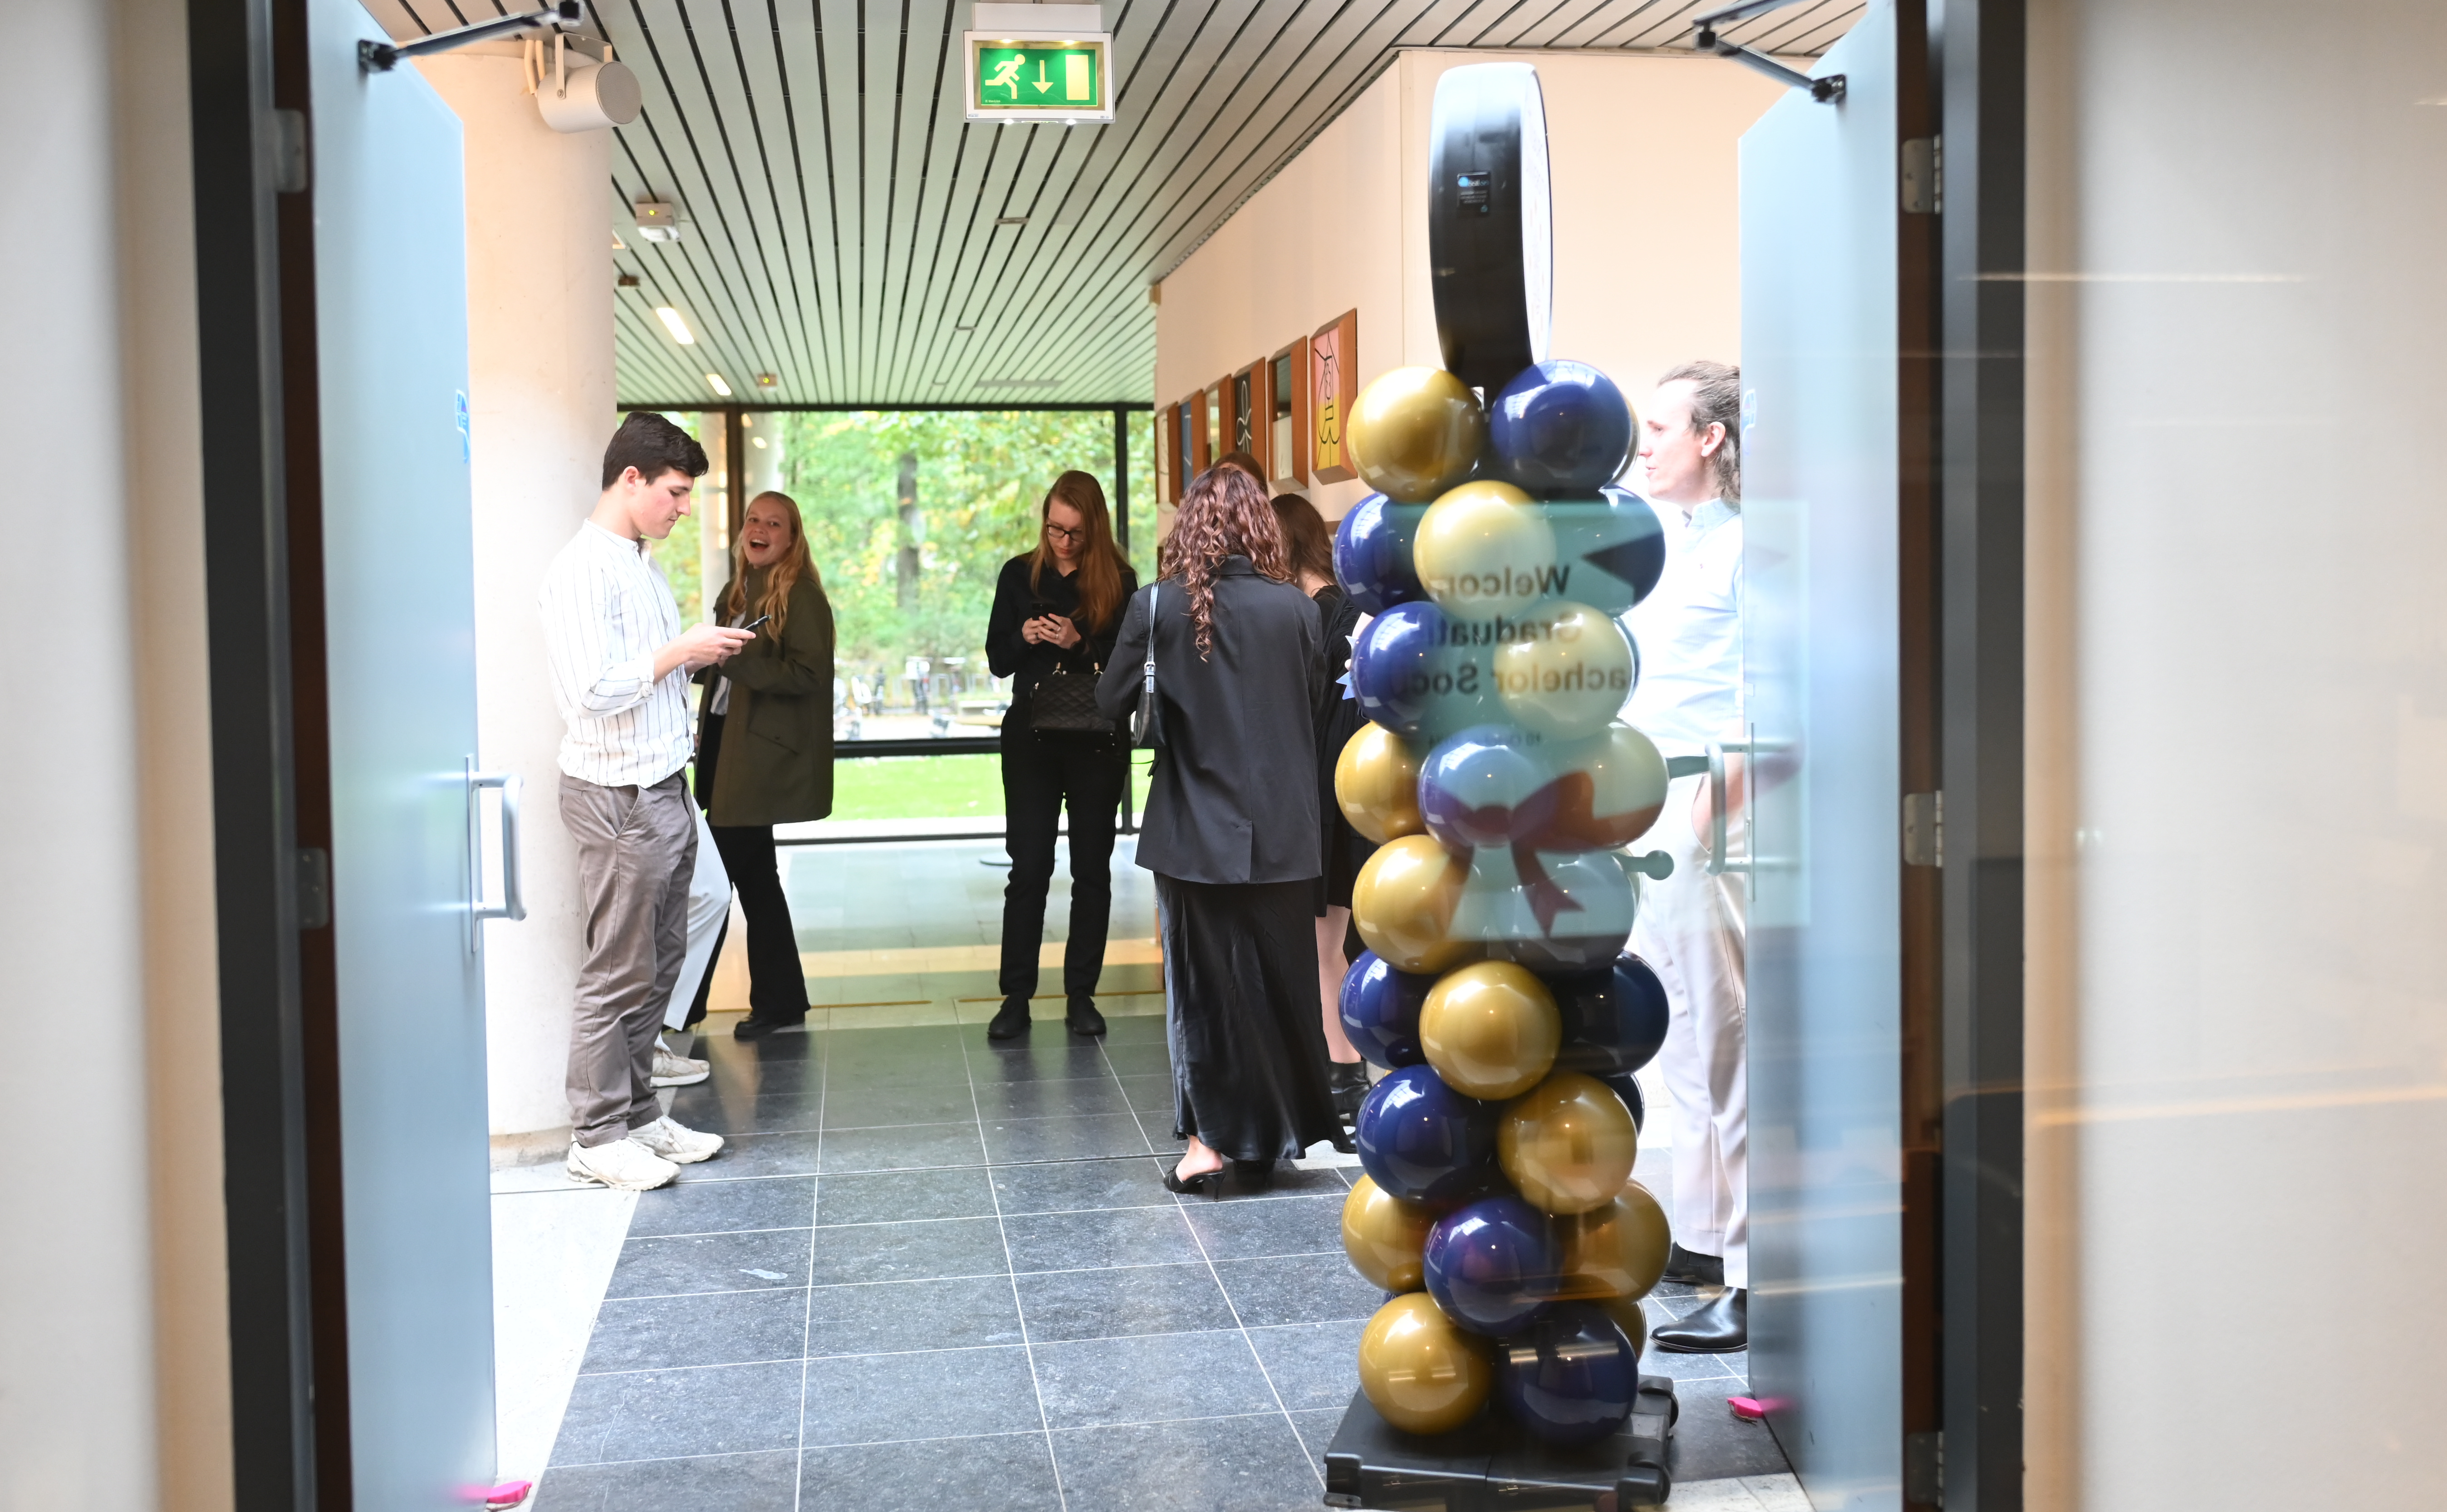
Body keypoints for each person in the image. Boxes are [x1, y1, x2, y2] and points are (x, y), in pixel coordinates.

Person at [1098, 466, 1345, 1194]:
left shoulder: (1157, 606)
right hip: (1284, 829)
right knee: (1278, 985)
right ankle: (1270, 1139)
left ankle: (1206, 1145)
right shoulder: (1296, 610)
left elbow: (1110, 701)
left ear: (1190, 527)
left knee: (1202, 991)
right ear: (1260, 527)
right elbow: (1308, 705)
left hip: (1191, 830)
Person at [538, 412, 754, 1191]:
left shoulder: (640, 563)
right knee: (617, 970)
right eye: (675, 492)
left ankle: (636, 1115)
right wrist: (678, 653)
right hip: (618, 793)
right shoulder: (581, 571)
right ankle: (596, 1135)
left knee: (657, 964)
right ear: (630, 479)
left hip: (662, 784)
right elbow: (589, 693)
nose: (684, 508)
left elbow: (643, 675)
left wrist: (691, 657)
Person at [1621, 361, 1751, 1351]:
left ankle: (1752, 1273)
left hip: (1712, 807)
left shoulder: (1754, 544)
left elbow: (1768, 696)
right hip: (1652, 801)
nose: (1644, 445)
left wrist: (1706, 817)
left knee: (1726, 1036)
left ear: (1711, 438)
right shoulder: (1668, 543)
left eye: (1660, 428)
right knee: (1680, 1029)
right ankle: (1704, 1234)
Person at [984, 471, 1138, 1040]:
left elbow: (1127, 664)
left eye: (1074, 533)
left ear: (1093, 528)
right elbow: (997, 660)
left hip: (1095, 739)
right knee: (1028, 868)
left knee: (1091, 869)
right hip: (1031, 738)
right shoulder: (1018, 574)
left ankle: (1081, 994)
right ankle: (1015, 996)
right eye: (1054, 530)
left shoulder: (1119, 581)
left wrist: (1079, 644)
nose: (1063, 542)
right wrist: (1024, 636)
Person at [696, 489, 837, 1040]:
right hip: (723, 744)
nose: (760, 529)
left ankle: (679, 1008)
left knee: (708, 883)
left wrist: (736, 662)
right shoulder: (736, 591)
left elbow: (809, 675)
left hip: (757, 760)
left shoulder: (801, 596)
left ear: (792, 538)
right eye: (753, 520)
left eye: (774, 524)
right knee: (758, 884)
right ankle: (781, 1001)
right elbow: (724, 670)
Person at [1270, 492, 1373, 1119]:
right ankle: (1340, 1068)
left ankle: (1343, 1070)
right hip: (1337, 791)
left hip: (1330, 796)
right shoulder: (1333, 609)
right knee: (1328, 938)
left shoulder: (1323, 614)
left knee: (1327, 938)